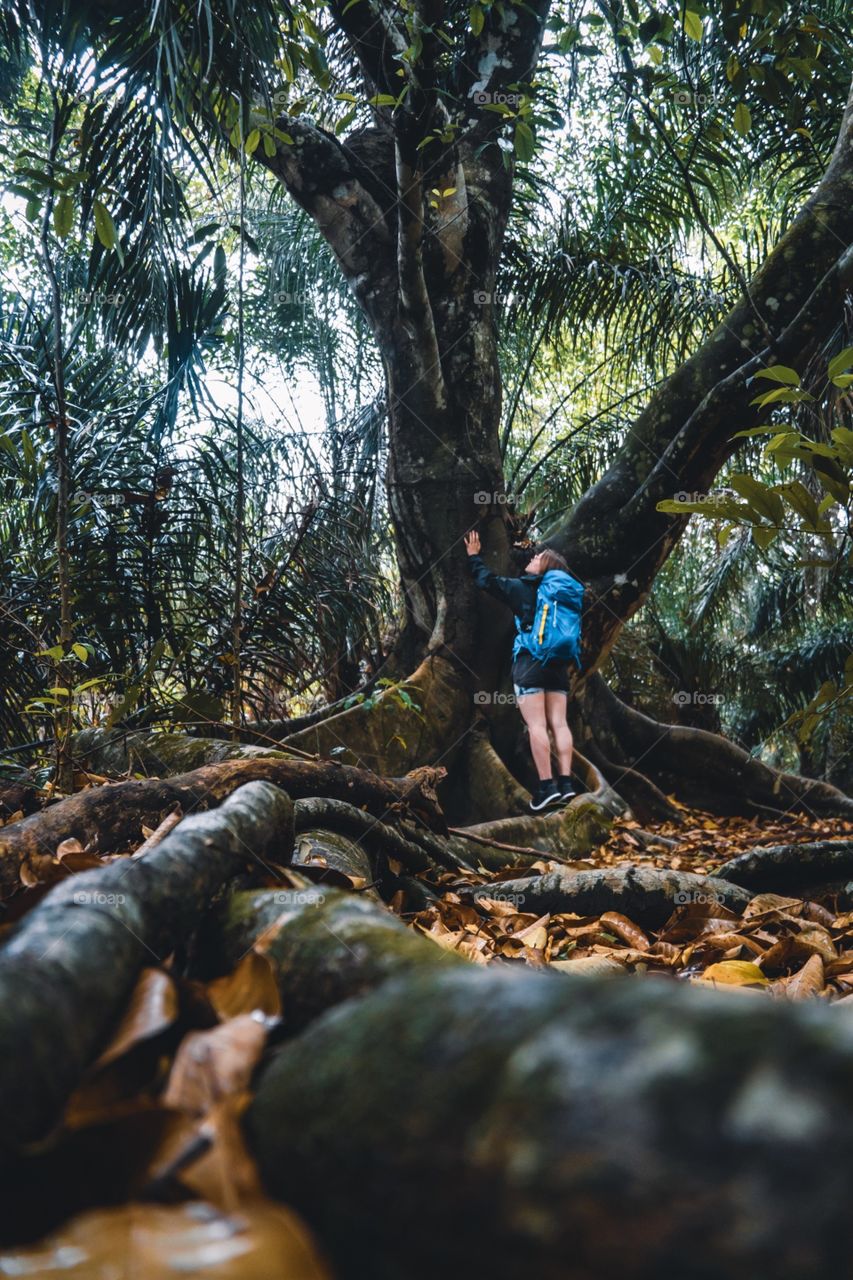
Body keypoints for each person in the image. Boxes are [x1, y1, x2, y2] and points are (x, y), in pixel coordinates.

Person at [464, 529, 579, 812]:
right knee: (560, 724)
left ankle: (546, 788)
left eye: (538, 557)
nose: (532, 558)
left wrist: (473, 557)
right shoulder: (563, 594)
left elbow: (487, 581)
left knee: (536, 725)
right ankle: (566, 784)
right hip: (558, 666)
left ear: (545, 566)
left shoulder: (523, 588)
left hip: (530, 663)